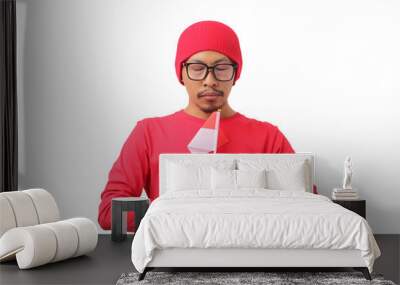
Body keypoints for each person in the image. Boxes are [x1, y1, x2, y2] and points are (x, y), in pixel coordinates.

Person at [98, 20, 297, 231]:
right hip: (173, 259)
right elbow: (109, 213)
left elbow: (306, 204)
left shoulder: (269, 137)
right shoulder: (148, 132)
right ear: (181, 74)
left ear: (235, 74)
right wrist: (175, 216)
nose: (209, 80)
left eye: (221, 68)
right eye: (197, 68)